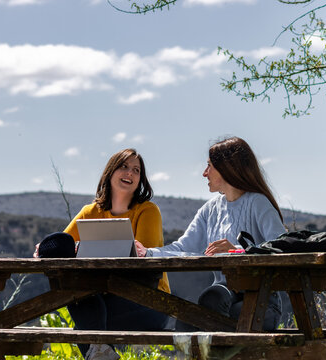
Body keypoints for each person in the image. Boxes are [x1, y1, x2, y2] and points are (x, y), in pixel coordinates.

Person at [135, 136, 286, 331]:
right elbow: (183, 247)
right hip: (222, 297)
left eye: (209, 166)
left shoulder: (258, 203)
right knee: (192, 317)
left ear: (227, 168)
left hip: (262, 302)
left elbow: (282, 247)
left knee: (208, 317)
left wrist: (238, 251)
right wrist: (148, 253)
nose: (204, 173)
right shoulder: (210, 210)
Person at [63, 148, 170, 360]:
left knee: (85, 328)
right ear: (110, 172)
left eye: (136, 170)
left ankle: (99, 349)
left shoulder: (147, 211)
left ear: (141, 179)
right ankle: (102, 351)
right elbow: (63, 244)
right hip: (103, 301)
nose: (129, 173)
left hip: (149, 302)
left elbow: (144, 259)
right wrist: (47, 247)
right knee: (75, 297)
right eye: (124, 166)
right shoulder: (90, 212)